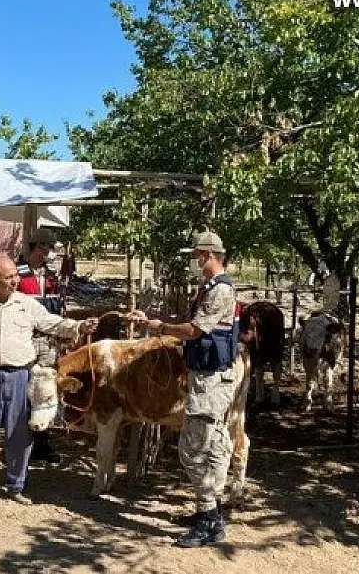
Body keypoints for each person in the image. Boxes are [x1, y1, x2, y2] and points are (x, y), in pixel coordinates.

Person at [0, 254, 97, 509]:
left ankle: (16, 485)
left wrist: (79, 326)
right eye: (8, 277)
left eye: (16, 275)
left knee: (20, 433)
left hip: (20, 376)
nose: (15, 281)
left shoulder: (27, 305)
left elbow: (52, 323)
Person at [128, 230, 239, 548]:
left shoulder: (220, 290)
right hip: (210, 378)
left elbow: (195, 330)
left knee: (192, 451)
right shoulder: (211, 289)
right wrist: (153, 320)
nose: (193, 261)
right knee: (216, 447)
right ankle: (211, 514)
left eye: (196, 256)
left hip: (210, 382)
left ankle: (207, 518)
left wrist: (160, 328)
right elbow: (192, 322)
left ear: (208, 255)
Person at [16, 229, 64, 465]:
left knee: (45, 391)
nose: (51, 253)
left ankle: (42, 443)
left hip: (49, 340)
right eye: (49, 248)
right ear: (40, 248)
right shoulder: (18, 274)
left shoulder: (52, 275)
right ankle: (21, 442)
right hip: (26, 339)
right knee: (25, 390)